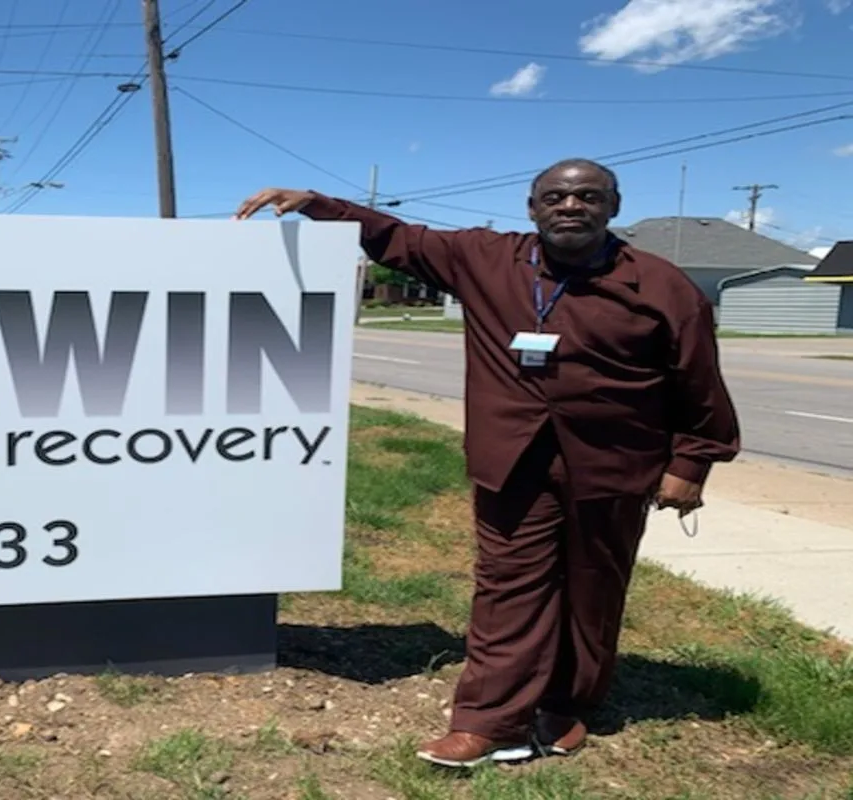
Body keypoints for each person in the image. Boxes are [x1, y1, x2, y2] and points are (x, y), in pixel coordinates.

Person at [235, 159, 740, 768]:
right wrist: (316, 203)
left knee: (594, 589)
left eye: (588, 196)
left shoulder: (662, 286)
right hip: (514, 460)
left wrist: (691, 463)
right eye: (555, 197)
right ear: (532, 208)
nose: (571, 206)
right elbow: (397, 238)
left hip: (613, 464)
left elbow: (699, 384)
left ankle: (567, 704)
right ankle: (488, 721)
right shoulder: (486, 259)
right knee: (508, 586)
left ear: (613, 206)